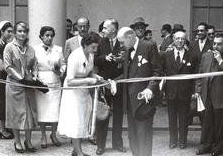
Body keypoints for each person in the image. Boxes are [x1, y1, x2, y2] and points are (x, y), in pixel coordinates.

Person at [117, 27, 163, 156]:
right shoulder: (127, 50)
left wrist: (150, 88)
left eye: (122, 42)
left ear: (130, 37)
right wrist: (113, 82)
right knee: (133, 136)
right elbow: (127, 75)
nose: (121, 45)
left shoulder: (149, 46)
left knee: (144, 136)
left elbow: (158, 71)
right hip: (129, 102)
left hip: (144, 101)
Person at [58, 32, 102, 156]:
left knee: (82, 120)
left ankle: (75, 151)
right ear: (85, 45)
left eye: (96, 47)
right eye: (93, 47)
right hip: (73, 93)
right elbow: (70, 81)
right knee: (75, 121)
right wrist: (89, 80)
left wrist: (98, 77)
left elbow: (88, 72)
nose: (95, 49)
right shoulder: (74, 56)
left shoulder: (90, 54)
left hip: (83, 92)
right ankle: (79, 152)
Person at [195, 34, 223, 156]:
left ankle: (217, 149)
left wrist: (220, 61)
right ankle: (206, 146)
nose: (216, 46)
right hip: (206, 95)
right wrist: (198, 91)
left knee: (220, 125)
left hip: (221, 97)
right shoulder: (206, 56)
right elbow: (200, 74)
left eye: (219, 44)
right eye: (214, 44)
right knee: (207, 124)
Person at [4, 21, 38, 153]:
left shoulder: (30, 49)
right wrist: (21, 78)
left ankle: (28, 141)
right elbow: (8, 67)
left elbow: (34, 65)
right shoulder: (9, 47)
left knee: (29, 113)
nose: (22, 33)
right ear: (15, 33)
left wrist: (34, 77)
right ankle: (17, 141)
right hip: (15, 85)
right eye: (19, 31)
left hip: (28, 85)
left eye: (24, 31)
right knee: (16, 114)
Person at [94, 18, 126, 155]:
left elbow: (129, 60)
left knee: (118, 114)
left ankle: (117, 144)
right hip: (104, 84)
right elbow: (93, 59)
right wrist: (103, 57)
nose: (103, 30)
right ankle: (100, 145)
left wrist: (122, 60)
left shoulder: (124, 42)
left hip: (119, 82)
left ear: (113, 29)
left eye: (105, 28)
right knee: (102, 115)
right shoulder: (100, 43)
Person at [161, 31, 198, 150]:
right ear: (173, 39)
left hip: (185, 92)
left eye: (182, 39)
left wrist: (193, 91)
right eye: (177, 38)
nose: (180, 41)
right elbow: (162, 73)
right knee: (172, 118)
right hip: (171, 92)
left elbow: (195, 75)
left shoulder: (192, 56)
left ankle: (183, 140)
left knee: (184, 118)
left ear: (185, 40)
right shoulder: (167, 55)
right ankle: (173, 140)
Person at [34, 26, 66, 149]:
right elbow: (33, 66)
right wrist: (35, 78)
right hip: (42, 84)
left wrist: (60, 70)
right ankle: (43, 135)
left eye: (51, 35)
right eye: (47, 35)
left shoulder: (58, 49)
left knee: (54, 111)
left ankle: (53, 134)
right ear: (41, 36)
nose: (49, 38)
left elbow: (63, 64)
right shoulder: (35, 49)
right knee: (42, 111)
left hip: (55, 82)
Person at [0, 21, 14, 139]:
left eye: (12, 31)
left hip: (7, 76)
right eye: (8, 31)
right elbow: (1, 66)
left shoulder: (6, 45)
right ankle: (1, 129)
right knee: (1, 101)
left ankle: (6, 126)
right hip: (1, 77)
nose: (11, 34)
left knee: (7, 101)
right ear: (2, 31)